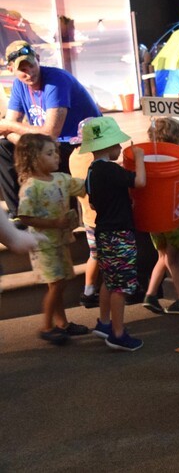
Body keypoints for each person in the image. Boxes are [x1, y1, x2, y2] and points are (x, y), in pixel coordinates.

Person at [0, 41, 101, 220]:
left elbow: (49, 133)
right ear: (11, 69)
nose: (29, 73)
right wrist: (28, 145)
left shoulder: (56, 80)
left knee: (46, 152)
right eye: (22, 69)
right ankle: (20, 216)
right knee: (3, 148)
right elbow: (8, 129)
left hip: (80, 142)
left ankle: (64, 214)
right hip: (50, 143)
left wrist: (8, 126)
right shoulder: (18, 85)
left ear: (38, 59)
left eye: (32, 65)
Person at [14, 133, 89, 345]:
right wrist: (55, 223)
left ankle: (61, 323)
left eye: (55, 152)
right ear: (33, 158)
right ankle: (46, 326)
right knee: (57, 284)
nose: (56, 156)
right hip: (43, 245)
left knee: (60, 284)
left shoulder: (61, 179)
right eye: (49, 153)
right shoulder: (31, 187)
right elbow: (25, 216)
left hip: (60, 242)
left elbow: (84, 185)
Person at [79, 116, 146, 352]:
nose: (119, 148)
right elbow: (140, 182)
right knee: (121, 286)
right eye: (117, 144)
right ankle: (118, 334)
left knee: (109, 280)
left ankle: (105, 322)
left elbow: (95, 203)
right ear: (107, 146)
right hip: (120, 235)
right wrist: (139, 158)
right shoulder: (110, 169)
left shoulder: (92, 171)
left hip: (103, 232)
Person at [142, 117, 179, 315]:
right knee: (172, 260)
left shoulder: (147, 161)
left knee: (162, 255)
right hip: (173, 217)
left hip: (153, 217)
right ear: (177, 138)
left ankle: (150, 294)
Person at [69, 118, 100, 309]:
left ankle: (88, 291)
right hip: (103, 218)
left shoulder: (74, 156)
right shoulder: (94, 159)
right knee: (110, 256)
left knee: (94, 255)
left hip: (88, 218)